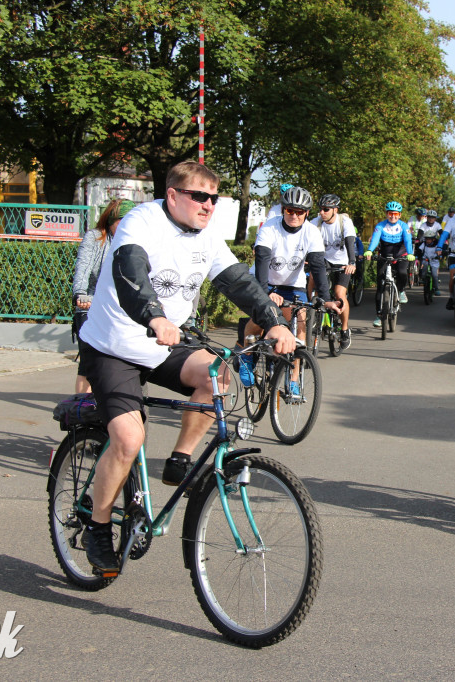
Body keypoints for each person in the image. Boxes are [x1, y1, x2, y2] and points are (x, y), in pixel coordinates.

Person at [76, 161, 296, 572]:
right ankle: (99, 526)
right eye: (199, 196)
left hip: (162, 346)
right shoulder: (141, 223)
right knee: (128, 438)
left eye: (214, 198)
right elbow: (130, 271)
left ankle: (180, 459)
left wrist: (275, 322)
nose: (208, 205)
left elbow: (238, 282)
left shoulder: (206, 238)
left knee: (219, 373)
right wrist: (154, 316)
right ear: (173, 195)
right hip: (113, 345)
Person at [242, 186, 339, 391]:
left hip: (293, 284)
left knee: (300, 327)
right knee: (261, 318)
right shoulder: (269, 228)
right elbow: (261, 263)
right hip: (264, 281)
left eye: (299, 212)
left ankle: (293, 379)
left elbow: (318, 266)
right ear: (283, 209)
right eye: (289, 211)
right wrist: (266, 293)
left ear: (306, 213)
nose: (294, 215)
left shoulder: (311, 232)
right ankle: (246, 357)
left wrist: (326, 298)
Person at [71, 198, 136, 393]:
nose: (127, 226)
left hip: (120, 309)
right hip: (92, 305)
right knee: (88, 362)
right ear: (111, 220)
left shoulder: (135, 241)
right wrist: (80, 294)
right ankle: (82, 406)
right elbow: (82, 269)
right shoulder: (95, 237)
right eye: (122, 221)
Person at [309, 193, 357, 348]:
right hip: (324, 260)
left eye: (326, 209)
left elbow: (350, 242)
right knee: (312, 279)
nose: (322, 212)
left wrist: (352, 262)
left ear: (335, 210)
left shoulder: (344, 222)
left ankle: (344, 330)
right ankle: (308, 308)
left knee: (339, 294)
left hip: (343, 262)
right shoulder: (315, 223)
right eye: (320, 209)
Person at [365, 200, 415, 325]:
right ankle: (379, 315)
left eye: (395, 214)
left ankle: (401, 290)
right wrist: (370, 250)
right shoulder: (380, 226)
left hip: (401, 256)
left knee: (402, 272)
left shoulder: (404, 226)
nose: (393, 216)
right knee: (380, 286)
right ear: (386, 214)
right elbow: (375, 239)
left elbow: (408, 241)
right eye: (390, 213)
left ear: (400, 215)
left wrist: (410, 253)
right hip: (384, 256)